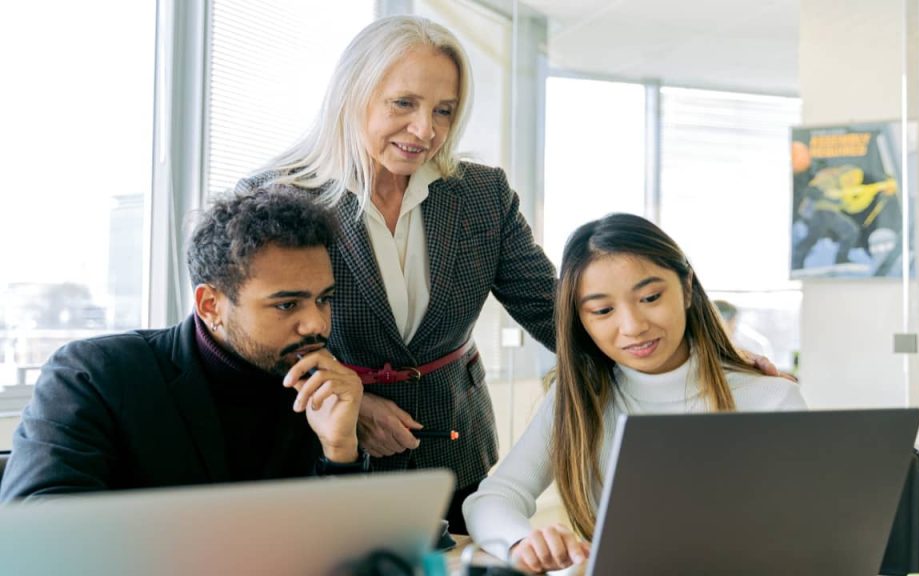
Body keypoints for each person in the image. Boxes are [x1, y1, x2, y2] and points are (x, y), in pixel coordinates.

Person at [235, 15, 784, 533]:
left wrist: (708, 361)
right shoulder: (275, 197)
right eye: (403, 103)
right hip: (322, 443)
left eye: (444, 111)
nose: (425, 129)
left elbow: (557, 310)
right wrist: (354, 403)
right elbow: (253, 335)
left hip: (452, 442)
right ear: (352, 96)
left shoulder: (479, 194)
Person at [463, 213, 807, 573]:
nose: (633, 326)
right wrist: (523, 542)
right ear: (581, 319)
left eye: (650, 297)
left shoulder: (771, 399)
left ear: (687, 288)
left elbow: (812, 528)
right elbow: (490, 499)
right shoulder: (580, 398)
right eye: (603, 310)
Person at [1, 189, 368, 501]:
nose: (317, 323)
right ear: (211, 305)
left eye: (323, 299)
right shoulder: (94, 376)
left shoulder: (319, 392)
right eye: (287, 305)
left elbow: (352, 550)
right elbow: (39, 525)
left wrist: (340, 451)